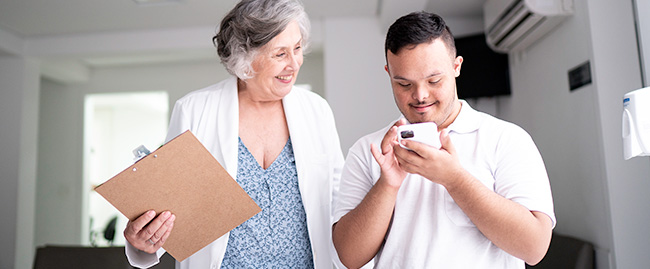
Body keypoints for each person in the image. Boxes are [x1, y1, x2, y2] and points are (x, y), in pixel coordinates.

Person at [123, 0, 344, 268]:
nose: (295, 63)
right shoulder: (194, 110)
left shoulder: (316, 111)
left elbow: (339, 204)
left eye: (297, 49)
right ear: (245, 57)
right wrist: (144, 244)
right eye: (280, 54)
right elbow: (170, 213)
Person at [332, 11, 556, 268]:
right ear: (389, 74)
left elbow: (534, 248)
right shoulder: (369, 150)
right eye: (404, 84)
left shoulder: (506, 139)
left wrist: (454, 179)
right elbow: (349, 257)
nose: (420, 95)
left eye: (434, 80)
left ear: (456, 67)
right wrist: (387, 185)